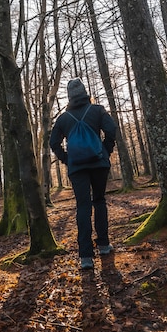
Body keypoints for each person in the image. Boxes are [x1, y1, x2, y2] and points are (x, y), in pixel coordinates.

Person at [50, 78, 117, 269]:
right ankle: (104, 245)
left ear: (69, 96)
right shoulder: (97, 110)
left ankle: (85, 256)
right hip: (99, 163)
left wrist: (66, 158)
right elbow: (111, 130)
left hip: (77, 168)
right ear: (85, 92)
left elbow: (54, 143)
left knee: (83, 207)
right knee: (99, 201)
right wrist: (106, 150)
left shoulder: (63, 119)